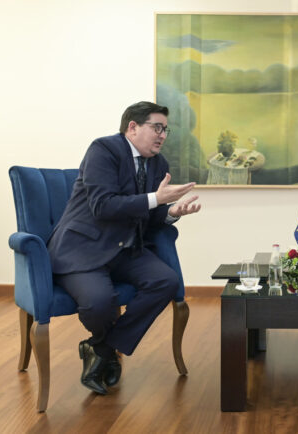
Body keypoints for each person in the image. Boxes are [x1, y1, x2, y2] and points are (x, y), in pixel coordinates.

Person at [47, 101, 201, 395]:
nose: (162, 135)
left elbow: (148, 215)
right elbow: (103, 206)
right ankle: (106, 351)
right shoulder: (103, 150)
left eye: (165, 130)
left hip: (125, 249)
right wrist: (156, 199)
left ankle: (102, 349)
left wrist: (171, 213)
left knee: (166, 281)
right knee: (99, 303)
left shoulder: (159, 164)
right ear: (133, 127)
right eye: (157, 128)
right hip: (83, 248)